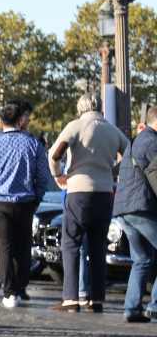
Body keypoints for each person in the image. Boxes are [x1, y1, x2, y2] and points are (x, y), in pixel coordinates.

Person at [47, 93, 130, 313]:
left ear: (80, 107)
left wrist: (58, 176)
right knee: (97, 246)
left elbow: (55, 154)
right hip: (104, 192)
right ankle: (96, 299)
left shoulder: (75, 126)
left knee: (71, 243)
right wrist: (112, 171)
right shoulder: (113, 131)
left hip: (78, 191)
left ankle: (71, 298)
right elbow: (129, 154)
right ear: (100, 107)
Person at [0, 100, 53, 310]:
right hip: (26, 201)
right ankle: (20, 287)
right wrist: (37, 197)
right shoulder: (33, 144)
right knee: (22, 246)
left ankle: (8, 290)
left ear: (1, 121)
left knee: (3, 247)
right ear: (20, 121)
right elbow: (43, 176)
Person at [112, 104, 157, 323]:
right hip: (141, 208)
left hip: (124, 209)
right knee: (143, 259)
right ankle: (155, 306)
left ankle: (132, 309)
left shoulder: (136, 142)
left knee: (143, 259)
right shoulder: (152, 142)